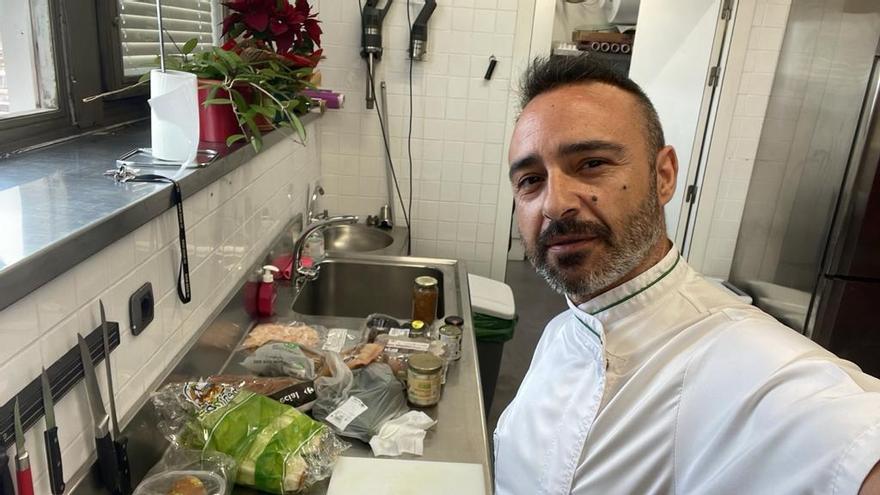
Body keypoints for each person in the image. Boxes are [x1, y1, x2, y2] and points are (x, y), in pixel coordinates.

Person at [494, 55, 880, 495]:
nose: (553, 203)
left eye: (592, 163)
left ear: (664, 176)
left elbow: (850, 440)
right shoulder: (563, 330)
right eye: (530, 179)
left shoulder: (744, 360)